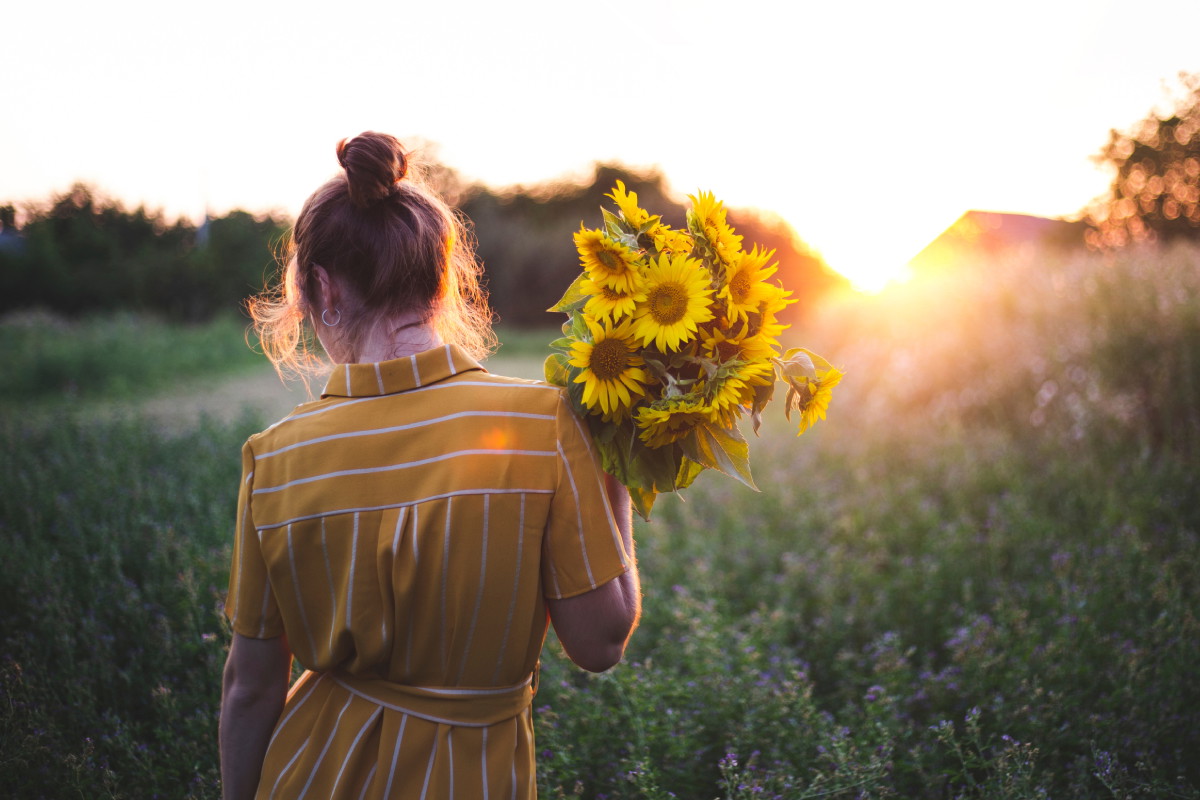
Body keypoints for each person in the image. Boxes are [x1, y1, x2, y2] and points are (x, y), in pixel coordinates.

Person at [219, 131, 641, 800]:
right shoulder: (541, 424)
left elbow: (250, 687)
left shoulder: (271, 459)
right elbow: (601, 642)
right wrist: (616, 468)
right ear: (442, 282)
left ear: (322, 288)